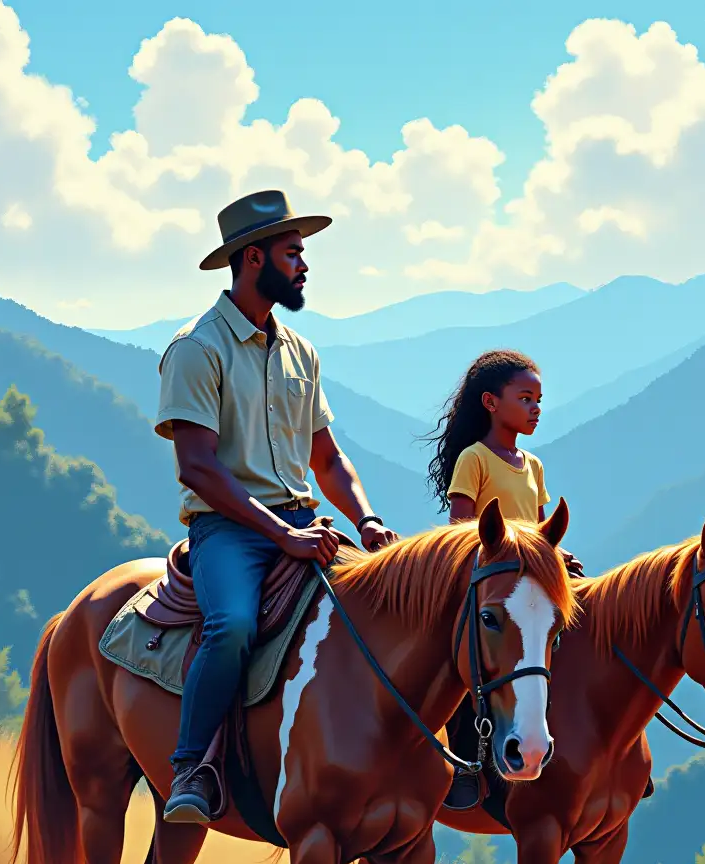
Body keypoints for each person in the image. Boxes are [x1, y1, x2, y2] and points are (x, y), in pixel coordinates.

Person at [155, 189, 399, 825]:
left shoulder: (301, 351)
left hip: (305, 522)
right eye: (293, 253)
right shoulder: (196, 348)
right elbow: (198, 468)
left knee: (395, 611)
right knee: (230, 625)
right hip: (229, 531)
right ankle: (192, 769)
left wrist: (366, 520)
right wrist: (281, 536)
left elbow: (328, 460)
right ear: (253, 257)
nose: (304, 266)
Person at [425, 351, 579, 810]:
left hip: (527, 585)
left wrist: (557, 555)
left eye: (539, 400)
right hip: (488, 582)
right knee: (465, 660)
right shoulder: (474, 459)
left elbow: (537, 527)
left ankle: (595, 752)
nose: (536, 408)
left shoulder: (532, 465)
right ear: (491, 402)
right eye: (525, 398)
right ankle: (463, 765)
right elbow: (459, 528)